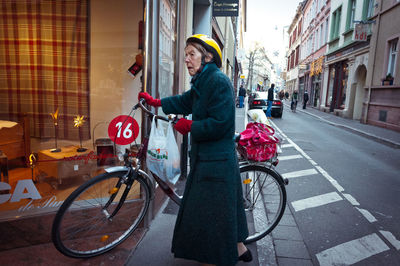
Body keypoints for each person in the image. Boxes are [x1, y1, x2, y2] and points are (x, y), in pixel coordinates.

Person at [138, 34, 251, 266]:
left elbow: (222, 124)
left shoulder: (217, 81)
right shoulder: (203, 80)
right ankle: (239, 248)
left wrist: (191, 126)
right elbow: (186, 100)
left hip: (216, 163)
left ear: (207, 57)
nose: (187, 60)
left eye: (192, 54)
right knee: (224, 209)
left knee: (211, 215)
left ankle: (213, 259)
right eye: (185, 55)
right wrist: (157, 102)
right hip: (209, 160)